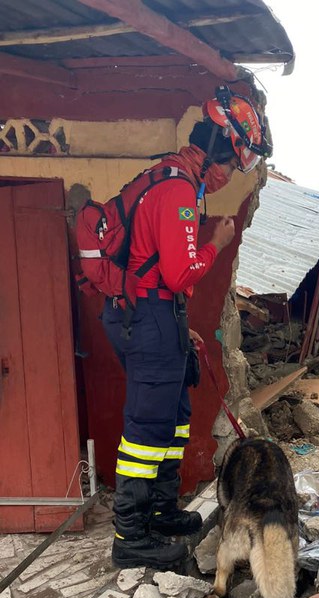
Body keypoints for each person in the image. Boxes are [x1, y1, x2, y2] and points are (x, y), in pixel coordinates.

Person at [102, 86, 271, 569]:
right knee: (147, 429)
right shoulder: (177, 188)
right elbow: (180, 272)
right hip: (148, 313)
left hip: (161, 313)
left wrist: (179, 327)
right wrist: (216, 242)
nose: (232, 173)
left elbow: (165, 273)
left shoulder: (179, 182)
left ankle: (160, 510)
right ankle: (131, 535)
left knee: (174, 418)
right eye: (236, 160)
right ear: (220, 144)